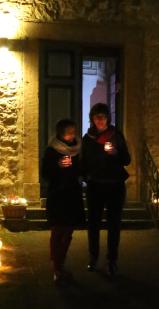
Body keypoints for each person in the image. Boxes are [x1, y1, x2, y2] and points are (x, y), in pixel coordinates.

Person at [81, 102, 131, 276]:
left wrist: (115, 153)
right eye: (97, 117)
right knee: (93, 224)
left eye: (103, 117)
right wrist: (85, 176)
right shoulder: (87, 139)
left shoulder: (116, 135)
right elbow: (83, 162)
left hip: (115, 185)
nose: (100, 120)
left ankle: (112, 260)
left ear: (108, 118)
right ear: (92, 119)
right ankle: (93, 257)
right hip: (95, 186)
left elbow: (127, 160)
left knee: (114, 224)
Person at [41, 117, 85, 285]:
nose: (72, 135)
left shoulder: (78, 149)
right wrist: (57, 165)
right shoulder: (52, 150)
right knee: (57, 230)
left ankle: (61, 262)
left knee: (68, 231)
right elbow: (46, 173)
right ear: (60, 134)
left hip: (72, 194)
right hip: (58, 195)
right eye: (68, 133)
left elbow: (81, 169)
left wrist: (80, 169)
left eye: (73, 132)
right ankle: (57, 266)